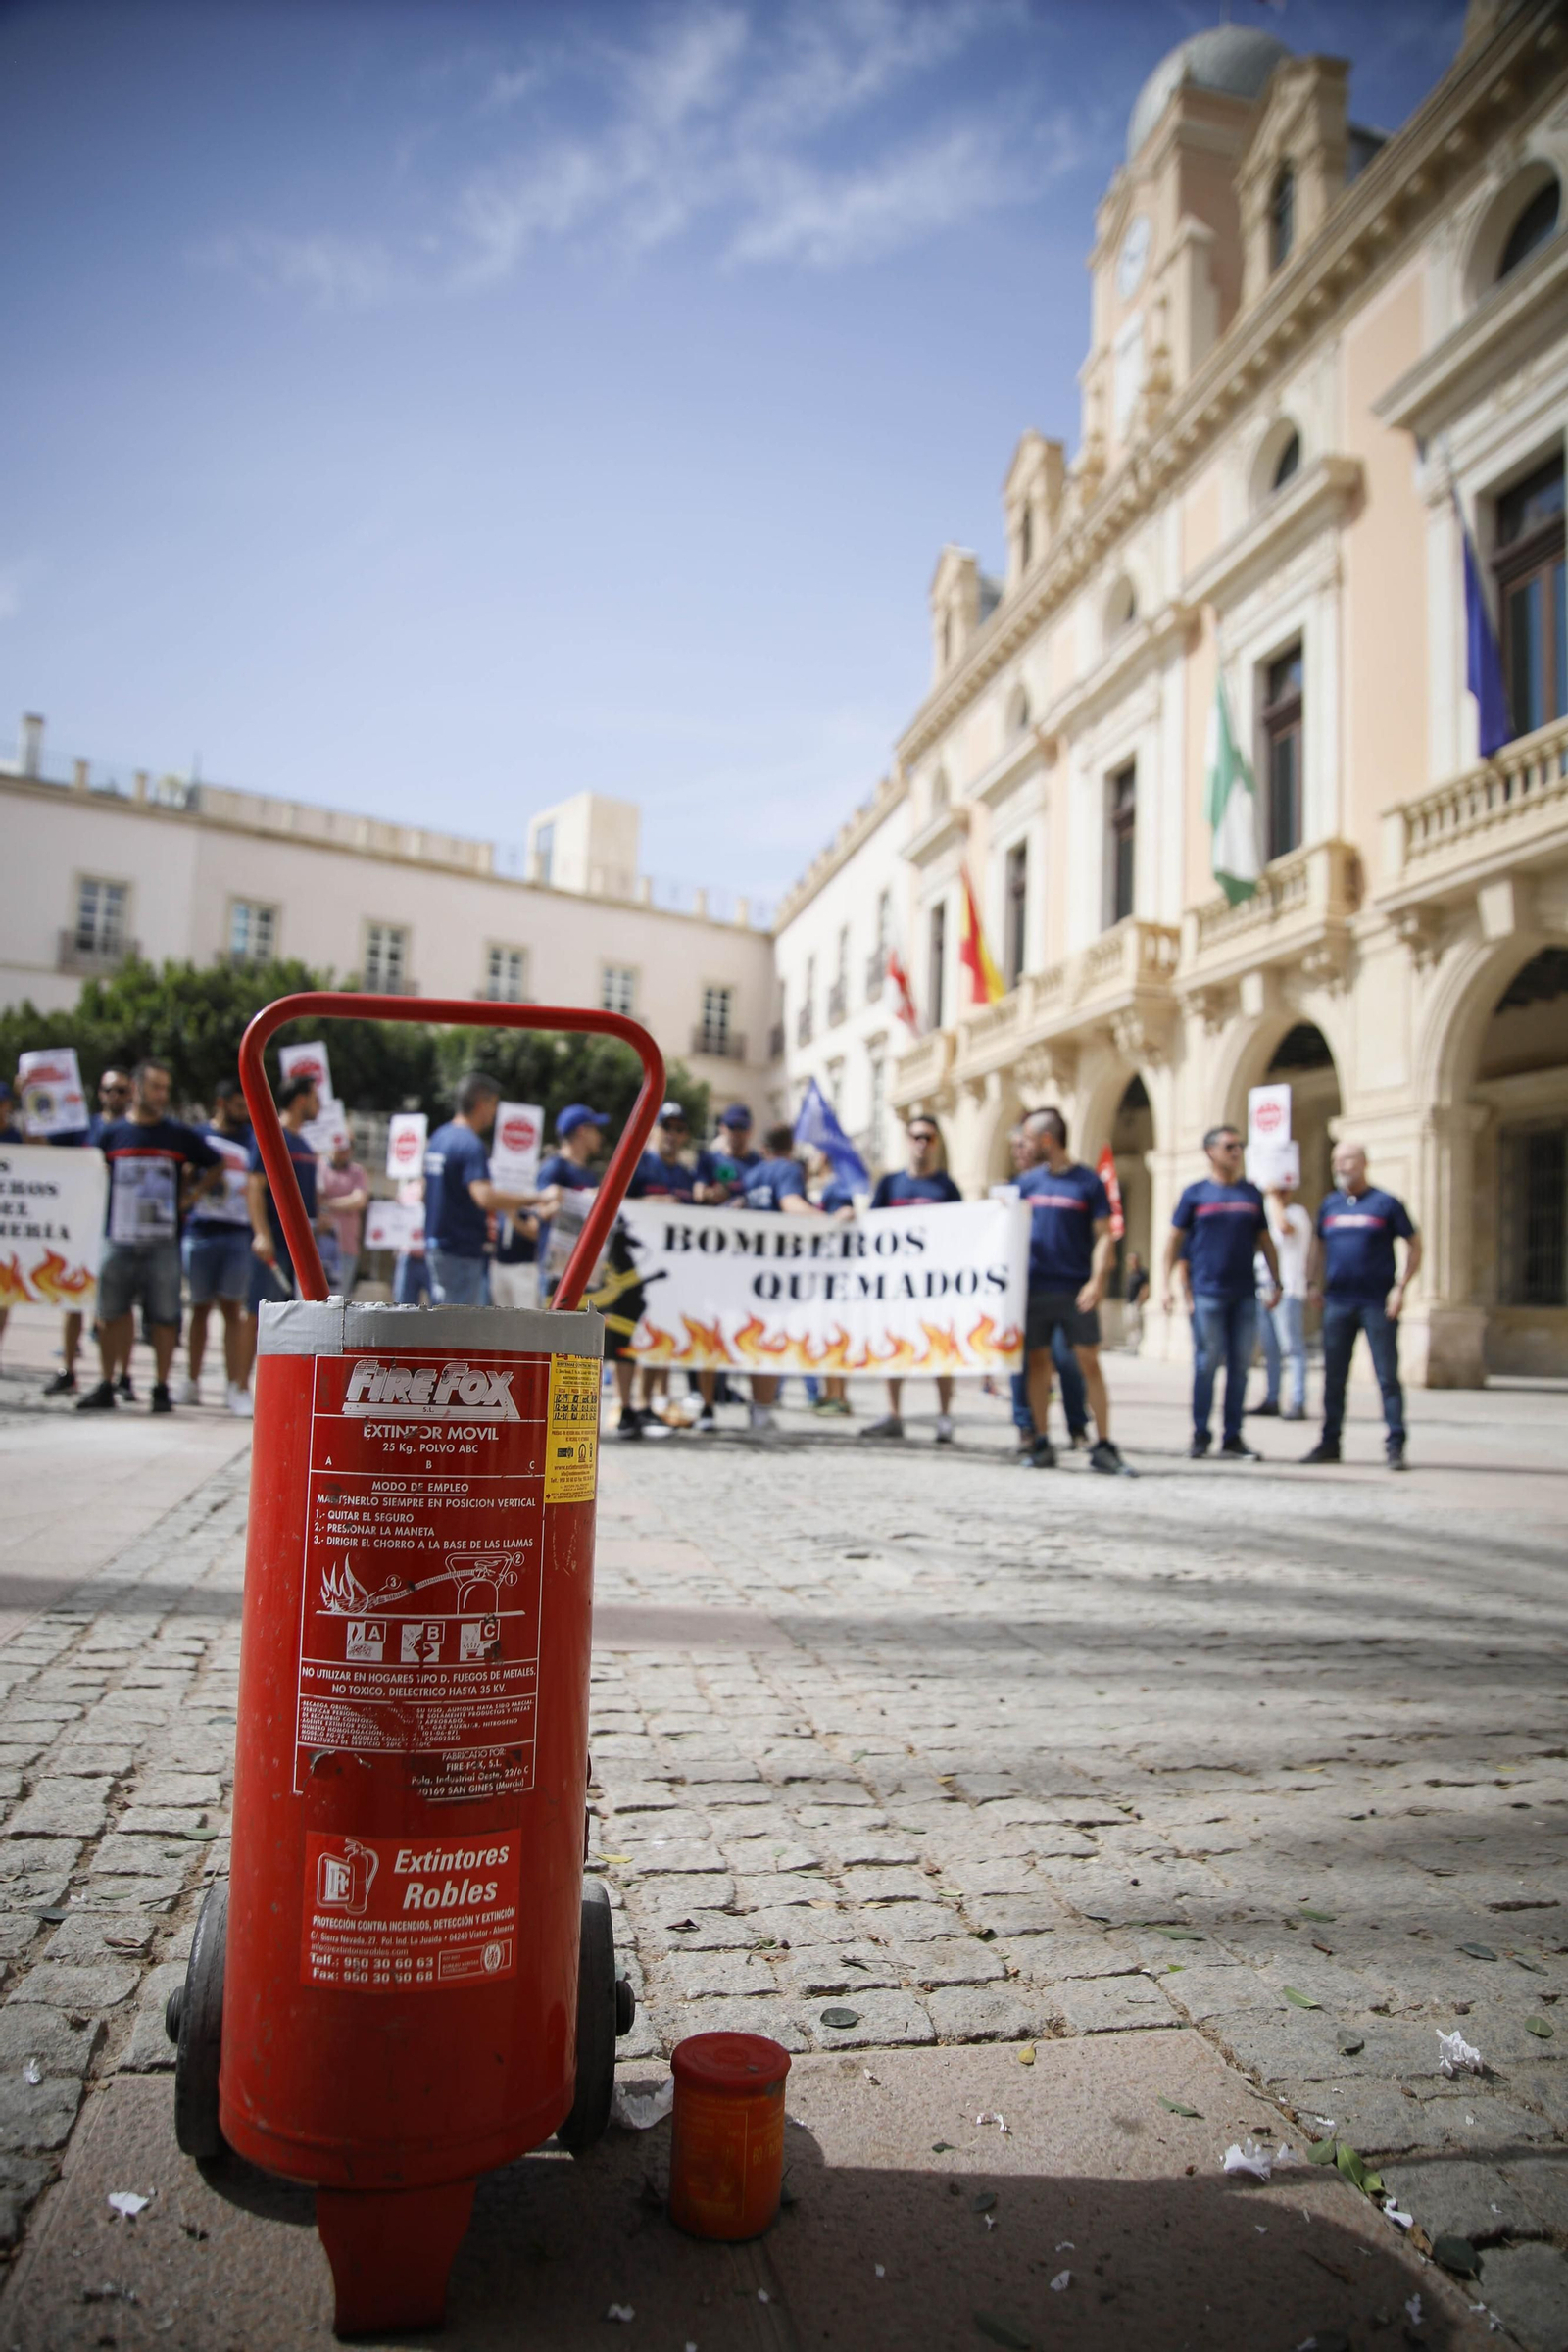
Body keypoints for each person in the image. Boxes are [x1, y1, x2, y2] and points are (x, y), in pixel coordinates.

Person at [75, 1058, 220, 1415]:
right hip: (117, 1237)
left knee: (166, 1316)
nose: (162, 1095)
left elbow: (215, 1163)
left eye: (166, 1089)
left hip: (162, 1242)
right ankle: (108, 1382)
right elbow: (87, 1172)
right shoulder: (110, 1134)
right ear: (138, 1088)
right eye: (156, 1087)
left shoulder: (178, 1135)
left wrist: (193, 1195)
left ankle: (160, 1386)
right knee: (111, 1312)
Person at [1014, 1107, 1127, 1475]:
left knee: (1088, 1362)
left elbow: (1104, 1235)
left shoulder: (1088, 1183)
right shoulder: (1027, 1184)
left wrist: (1097, 1281)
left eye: (1029, 1138)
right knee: (1037, 1364)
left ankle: (1105, 1443)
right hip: (1034, 1290)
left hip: (1075, 1289)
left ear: (1048, 1140)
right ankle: (1042, 1441)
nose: (1024, 1145)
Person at [1163, 1125, 1281, 1460]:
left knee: (1241, 1366)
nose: (1236, 1151)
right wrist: (1166, 1286)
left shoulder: (1252, 1194)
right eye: (1229, 1145)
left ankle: (1233, 1436)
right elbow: (1174, 1240)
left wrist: (1276, 1280)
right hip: (1206, 1293)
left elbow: (1266, 1241)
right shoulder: (1195, 1194)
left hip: (1245, 1293)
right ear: (1211, 1152)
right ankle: (1200, 1434)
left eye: (1239, 1146)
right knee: (1206, 1364)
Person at [1302, 1143, 1422, 1470]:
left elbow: (1415, 1244)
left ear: (1364, 1163)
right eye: (1335, 1160)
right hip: (1337, 1302)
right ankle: (1330, 1443)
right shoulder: (1330, 1205)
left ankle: (1395, 1444)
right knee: (1334, 1378)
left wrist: (1400, 1287)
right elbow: (1317, 1246)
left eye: (1347, 1159)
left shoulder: (1386, 1203)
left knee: (1386, 1376)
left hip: (1377, 1303)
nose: (1340, 1166)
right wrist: (1311, 1282)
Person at [860, 1116, 962, 1445]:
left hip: (935, 1286)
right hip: (898, 1285)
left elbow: (966, 1229)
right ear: (908, 1140)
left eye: (929, 1138)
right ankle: (893, 1414)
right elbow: (873, 1228)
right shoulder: (890, 1184)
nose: (922, 1143)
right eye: (917, 1136)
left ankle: (944, 1417)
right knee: (895, 1344)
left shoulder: (947, 1188)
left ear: (937, 1143)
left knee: (941, 1349)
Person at [422, 1073, 556, 1308]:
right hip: (461, 1250)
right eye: (494, 1105)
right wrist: (536, 1198)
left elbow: (426, 1191)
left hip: (438, 1246)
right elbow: (484, 1197)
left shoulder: (439, 1137)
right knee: (460, 1332)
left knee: (444, 1324)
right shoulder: (470, 1144)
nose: (494, 1114)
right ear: (481, 1103)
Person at [42, 1063, 132, 1398]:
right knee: (72, 1298)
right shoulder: (85, 1127)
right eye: (110, 1090)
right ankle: (68, 1369)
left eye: (122, 1090)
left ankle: (122, 1376)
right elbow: (42, 1143)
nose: (115, 1096)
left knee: (118, 1308)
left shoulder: (134, 1128)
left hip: (119, 1228)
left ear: (131, 1093)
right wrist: (31, 1094)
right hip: (82, 1226)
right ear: (99, 1094)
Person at [1002, 1120, 1091, 1451]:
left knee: (1067, 1361)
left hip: (1065, 1287)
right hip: (1025, 1289)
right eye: (1016, 1148)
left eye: (1024, 1145)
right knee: (1023, 1363)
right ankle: (1028, 1427)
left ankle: (1077, 1425)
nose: (1019, 1152)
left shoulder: (1069, 1182)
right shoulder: (1019, 1187)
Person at [738, 1123, 821, 1434]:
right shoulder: (787, 1170)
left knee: (756, 1337)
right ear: (790, 1149)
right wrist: (830, 1220)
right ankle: (761, 1409)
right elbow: (791, 1206)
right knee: (772, 1336)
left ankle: (758, 1407)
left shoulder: (753, 1174)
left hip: (748, 1266)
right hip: (776, 1271)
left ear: (764, 1148)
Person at [180, 1076, 256, 1416]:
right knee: (198, 1308)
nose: (245, 1113)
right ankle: (192, 1381)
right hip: (201, 1231)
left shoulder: (253, 1139)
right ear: (222, 1103)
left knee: (233, 1311)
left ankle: (236, 1386)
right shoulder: (199, 1136)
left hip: (238, 1234)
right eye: (239, 1106)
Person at [626, 1103, 700, 1428]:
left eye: (679, 1127)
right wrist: (657, 1203)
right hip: (637, 1268)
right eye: (667, 1126)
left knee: (664, 1334)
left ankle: (652, 1402)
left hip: (673, 1270)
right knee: (638, 1336)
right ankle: (633, 1404)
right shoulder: (640, 1165)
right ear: (655, 1128)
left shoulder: (685, 1175)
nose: (673, 1133)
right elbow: (618, 1203)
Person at [247, 1073, 333, 1312]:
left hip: (300, 1252)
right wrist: (261, 1234)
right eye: (315, 1097)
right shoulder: (270, 1136)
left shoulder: (304, 1145)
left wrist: (319, 1218)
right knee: (259, 1317)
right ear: (300, 1100)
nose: (320, 1105)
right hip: (275, 1245)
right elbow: (254, 1186)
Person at [1249, 1177, 1312, 1421]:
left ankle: (1297, 1400)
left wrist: (1273, 1198)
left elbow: (1284, 1228)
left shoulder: (1296, 1214)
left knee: (1292, 1347)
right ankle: (1272, 1397)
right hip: (1264, 1289)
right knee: (1270, 1349)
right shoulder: (1266, 1215)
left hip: (1289, 1290)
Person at [318, 1133, 370, 1300]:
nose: (343, 1151)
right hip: (320, 1246)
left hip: (347, 1247)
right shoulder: (319, 1168)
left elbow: (359, 1201)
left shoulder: (358, 1172)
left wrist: (327, 1204)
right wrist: (345, 1203)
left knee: (340, 1300)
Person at [694, 1105, 760, 1203]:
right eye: (732, 1126)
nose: (736, 1132)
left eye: (742, 1126)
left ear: (750, 1130)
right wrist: (712, 1193)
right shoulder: (708, 1160)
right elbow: (698, 1194)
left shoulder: (759, 1163)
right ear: (722, 1128)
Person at [1123, 1250, 1149, 1353]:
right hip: (1128, 1302)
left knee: (1136, 1325)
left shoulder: (1142, 1273)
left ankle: (1136, 1347)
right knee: (1128, 1324)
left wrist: (1139, 1301)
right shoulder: (1131, 1273)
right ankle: (1130, 1345)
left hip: (1136, 1303)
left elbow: (1145, 1288)